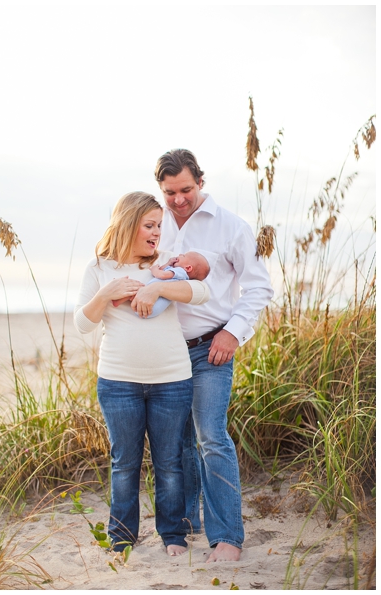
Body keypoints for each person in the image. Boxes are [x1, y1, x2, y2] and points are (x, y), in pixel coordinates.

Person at [74, 191, 210, 556]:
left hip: (172, 380)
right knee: (124, 464)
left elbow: (202, 291)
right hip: (118, 383)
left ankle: (173, 535)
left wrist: (158, 287)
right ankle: (121, 537)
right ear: (128, 224)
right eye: (149, 225)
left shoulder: (166, 263)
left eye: (159, 226)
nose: (156, 233)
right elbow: (82, 325)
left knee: (169, 464)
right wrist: (107, 293)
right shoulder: (99, 267)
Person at [154, 148, 273, 562]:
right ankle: (185, 526)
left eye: (186, 189)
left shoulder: (232, 227)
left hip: (211, 348)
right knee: (178, 442)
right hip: (165, 351)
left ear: (200, 182)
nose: (179, 200)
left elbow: (259, 288)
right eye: (170, 192)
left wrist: (233, 334)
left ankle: (228, 538)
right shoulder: (154, 223)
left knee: (210, 436)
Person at [112, 250, 210, 317]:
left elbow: (162, 275)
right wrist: (168, 263)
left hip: (152, 306)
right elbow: (164, 269)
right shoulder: (176, 273)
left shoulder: (181, 272)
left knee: (136, 288)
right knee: (137, 292)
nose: (179, 255)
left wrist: (154, 270)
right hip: (151, 308)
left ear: (188, 268)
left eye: (183, 256)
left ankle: (118, 297)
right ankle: (118, 301)